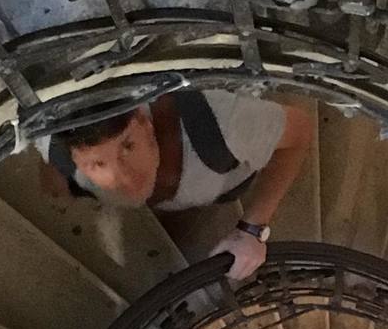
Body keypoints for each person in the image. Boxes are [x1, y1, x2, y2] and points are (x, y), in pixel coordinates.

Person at [47, 87, 316, 281]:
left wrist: (253, 229)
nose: (126, 178)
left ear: (143, 121)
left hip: (229, 180)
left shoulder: (227, 126)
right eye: (97, 164)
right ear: (74, 159)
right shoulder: (55, 152)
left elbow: (301, 130)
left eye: (128, 146)